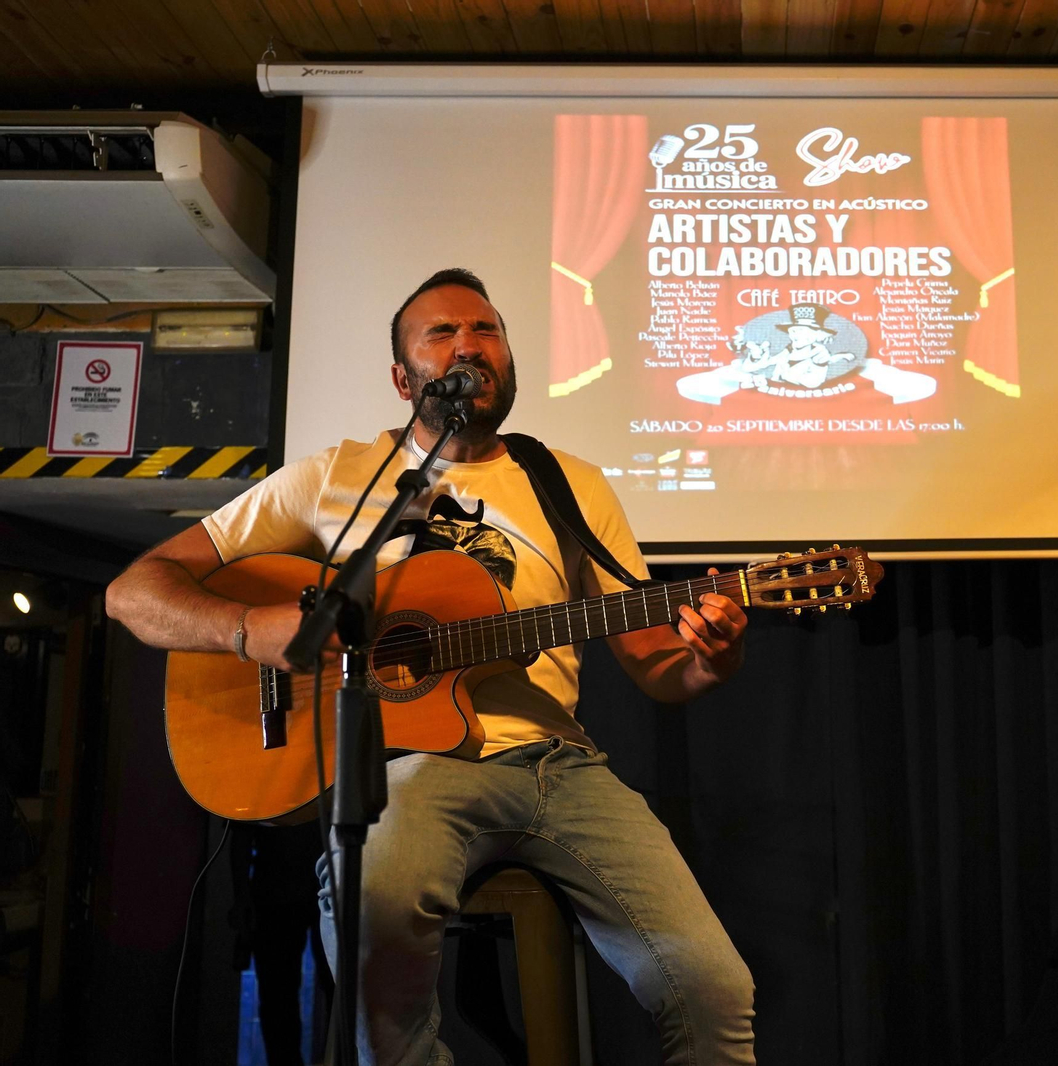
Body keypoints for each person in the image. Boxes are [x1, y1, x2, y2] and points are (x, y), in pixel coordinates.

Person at [106, 268, 756, 1066]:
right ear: (403, 376)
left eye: (486, 330)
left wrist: (710, 661)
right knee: (371, 921)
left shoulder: (572, 485)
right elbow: (133, 594)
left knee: (714, 987)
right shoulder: (334, 479)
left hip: (563, 766)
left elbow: (659, 669)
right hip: (413, 764)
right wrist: (248, 629)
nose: (468, 345)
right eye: (442, 334)